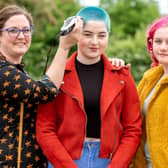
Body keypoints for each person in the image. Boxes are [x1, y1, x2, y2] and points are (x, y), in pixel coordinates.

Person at [36, 6, 142, 168]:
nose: (95, 42)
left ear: (108, 36)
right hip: (65, 159)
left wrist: (116, 165)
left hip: (108, 160)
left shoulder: (122, 76)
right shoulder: (58, 74)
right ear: (76, 34)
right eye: (87, 34)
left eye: (101, 35)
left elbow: (133, 129)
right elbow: (45, 129)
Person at [0, 5, 82, 167]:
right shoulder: (2, 71)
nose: (21, 36)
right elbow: (45, 91)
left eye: (26, 30)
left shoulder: (20, 73)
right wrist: (64, 47)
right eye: (13, 30)